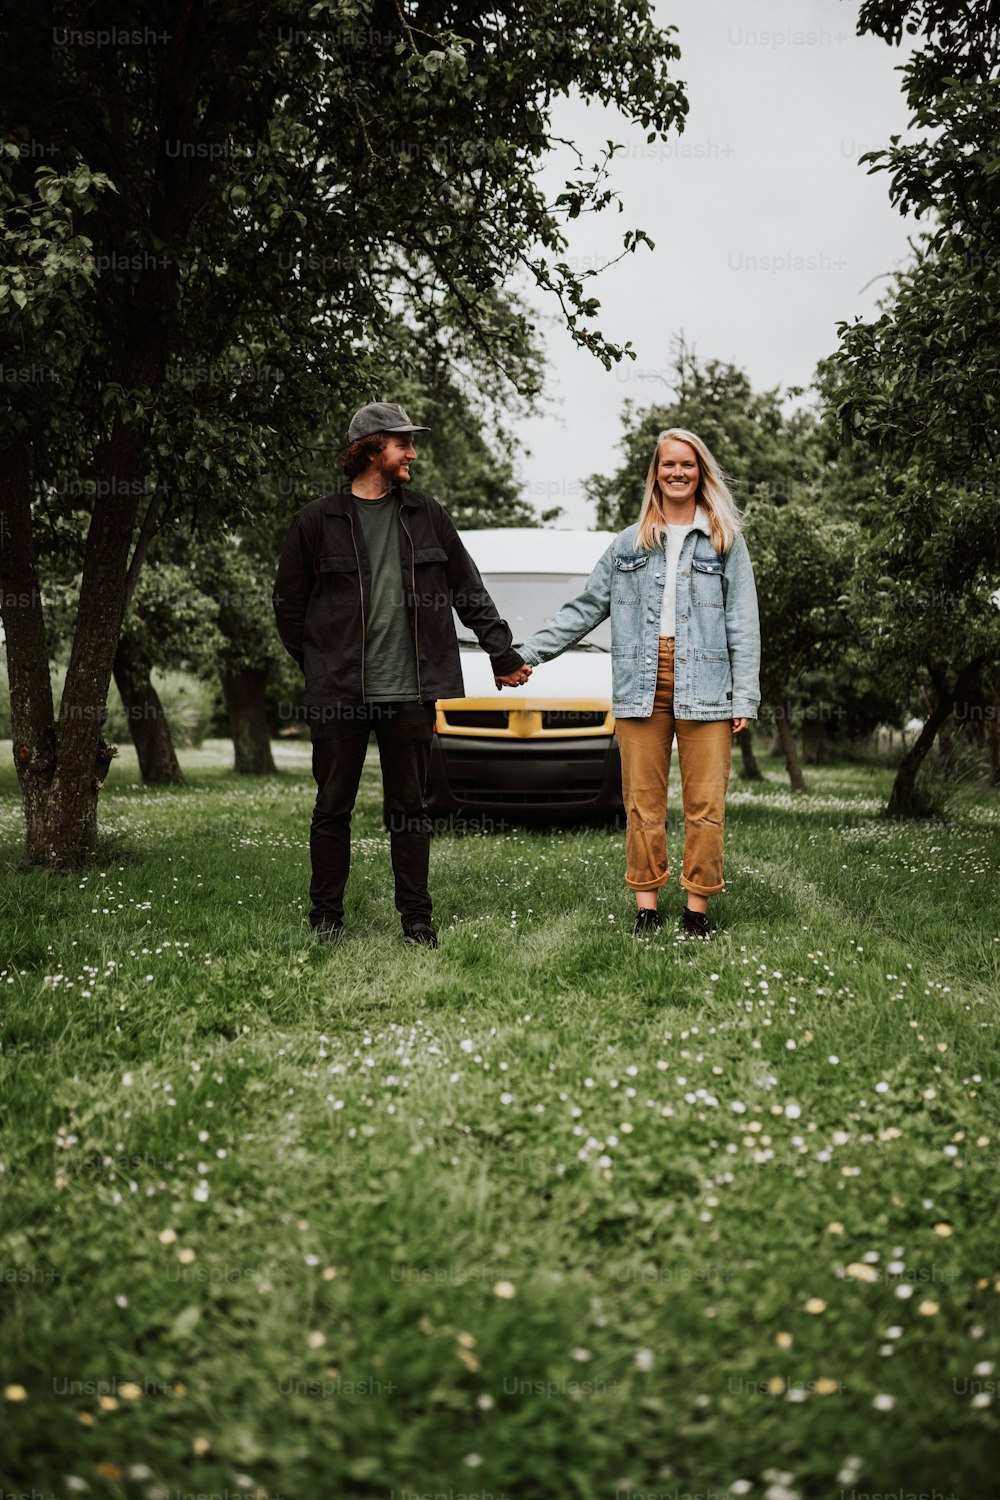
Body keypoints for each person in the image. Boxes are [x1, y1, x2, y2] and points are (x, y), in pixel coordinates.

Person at [273, 401, 530, 947]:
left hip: (412, 691)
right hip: (341, 693)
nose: (412, 452)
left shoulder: (426, 514)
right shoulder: (315, 522)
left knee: (410, 810)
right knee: (332, 806)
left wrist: (502, 654)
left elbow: (468, 589)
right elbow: (289, 610)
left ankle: (416, 921)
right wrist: (323, 667)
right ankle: (326, 920)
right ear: (370, 450)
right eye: (402, 443)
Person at [501, 428, 759, 938]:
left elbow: (742, 623)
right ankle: (646, 907)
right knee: (642, 802)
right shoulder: (628, 543)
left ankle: (696, 910)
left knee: (706, 804)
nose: (678, 473)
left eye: (687, 465)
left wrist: (744, 694)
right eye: (668, 465)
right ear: (656, 474)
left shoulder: (725, 539)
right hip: (641, 681)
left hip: (707, 681)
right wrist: (525, 653)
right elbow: (585, 609)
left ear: (700, 472)